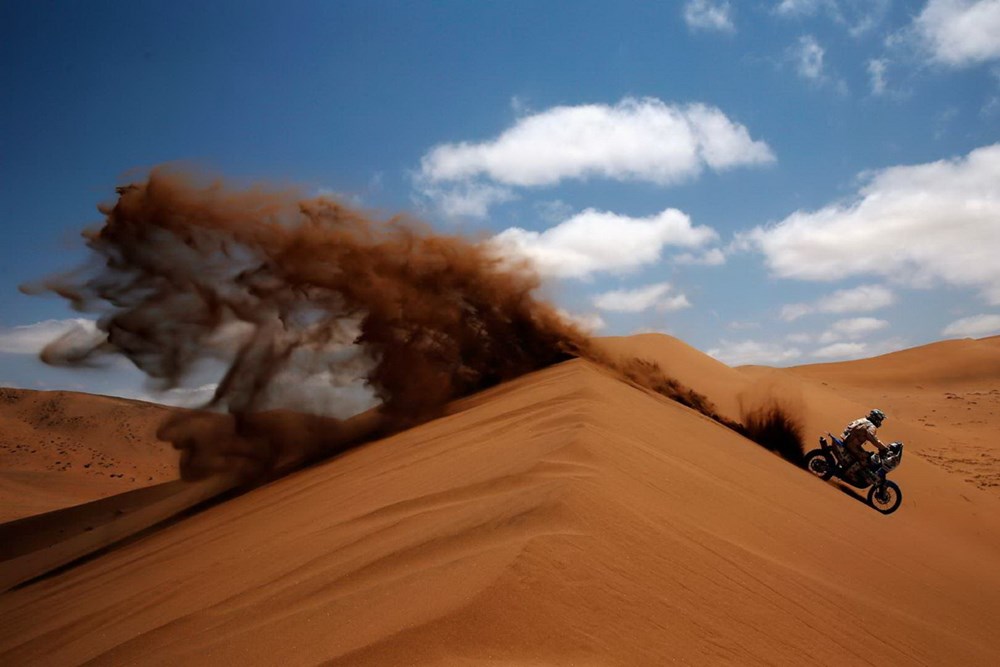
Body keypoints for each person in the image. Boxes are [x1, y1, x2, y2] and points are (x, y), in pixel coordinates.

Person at [840, 409, 890, 477]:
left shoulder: (863, 420)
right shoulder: (871, 426)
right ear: (876, 418)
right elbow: (873, 438)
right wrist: (883, 447)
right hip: (852, 444)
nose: (880, 422)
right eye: (880, 419)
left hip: (847, 439)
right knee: (866, 459)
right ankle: (848, 474)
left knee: (866, 454)